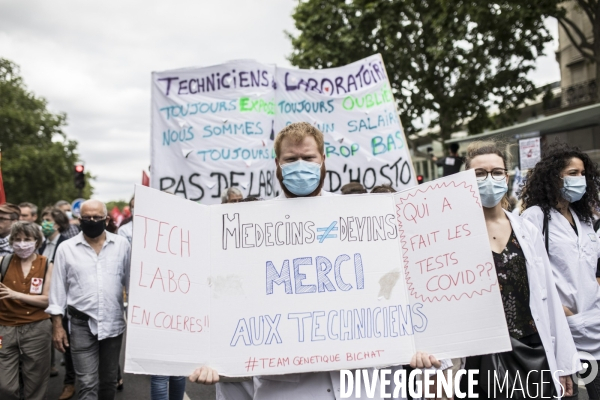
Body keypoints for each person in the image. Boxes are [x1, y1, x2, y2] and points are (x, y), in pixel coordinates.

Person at [189, 122, 446, 399]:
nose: (300, 165)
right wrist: (212, 359)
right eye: (291, 159)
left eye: (308, 158)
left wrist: (425, 351)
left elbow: (400, 288)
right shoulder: (246, 229)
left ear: (322, 159)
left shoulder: (365, 217)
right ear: (277, 163)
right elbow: (229, 304)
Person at [460, 141, 578, 399]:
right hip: (481, 356)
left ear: (506, 175)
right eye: (479, 174)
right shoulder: (455, 234)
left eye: (496, 172)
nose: (488, 179)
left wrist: (564, 364)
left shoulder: (527, 230)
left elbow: (547, 299)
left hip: (532, 350)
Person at [520, 145, 600, 399]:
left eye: (582, 173)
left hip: (595, 323)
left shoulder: (585, 217)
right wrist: (564, 312)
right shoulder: (534, 218)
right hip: (564, 328)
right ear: (554, 177)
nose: (580, 179)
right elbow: (530, 272)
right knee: (569, 392)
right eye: (572, 173)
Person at [47, 199, 131, 400]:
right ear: (79, 219)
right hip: (80, 324)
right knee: (86, 382)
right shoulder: (66, 248)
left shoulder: (122, 245)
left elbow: (131, 284)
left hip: (112, 324)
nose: (92, 221)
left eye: (97, 217)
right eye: (87, 218)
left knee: (109, 380)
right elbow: (57, 289)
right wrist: (57, 326)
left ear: (106, 219)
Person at [0, 221, 53, 400]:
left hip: (37, 329)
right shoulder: (3, 262)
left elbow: (47, 300)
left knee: (36, 381)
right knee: (5, 385)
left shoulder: (46, 264)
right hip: (4, 330)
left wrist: (16, 295)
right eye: (17, 239)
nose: (22, 244)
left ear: (36, 241)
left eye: (27, 239)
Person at [38, 206, 77, 398]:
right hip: (43, 301)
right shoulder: (41, 245)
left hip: (64, 301)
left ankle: (70, 383)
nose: (45, 223)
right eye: (43, 219)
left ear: (59, 224)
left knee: (67, 345)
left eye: (49, 220)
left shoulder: (67, 244)